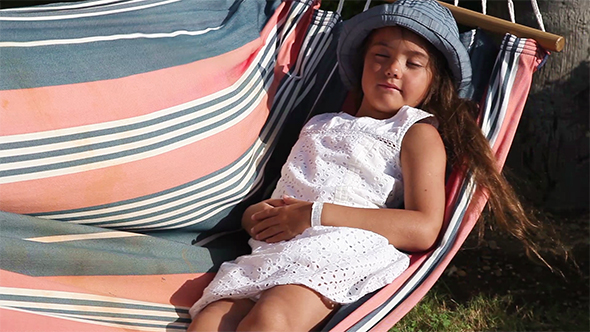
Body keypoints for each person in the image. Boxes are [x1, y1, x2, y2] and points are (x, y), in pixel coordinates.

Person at [188, 0, 545, 330]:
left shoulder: (416, 132)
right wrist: (258, 217)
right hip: (276, 248)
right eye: (380, 55)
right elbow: (292, 190)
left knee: (271, 319)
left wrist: (314, 215)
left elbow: (423, 228)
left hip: (340, 252)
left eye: (413, 63)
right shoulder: (319, 122)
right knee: (209, 320)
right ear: (361, 64)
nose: (392, 69)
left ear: (433, 81)